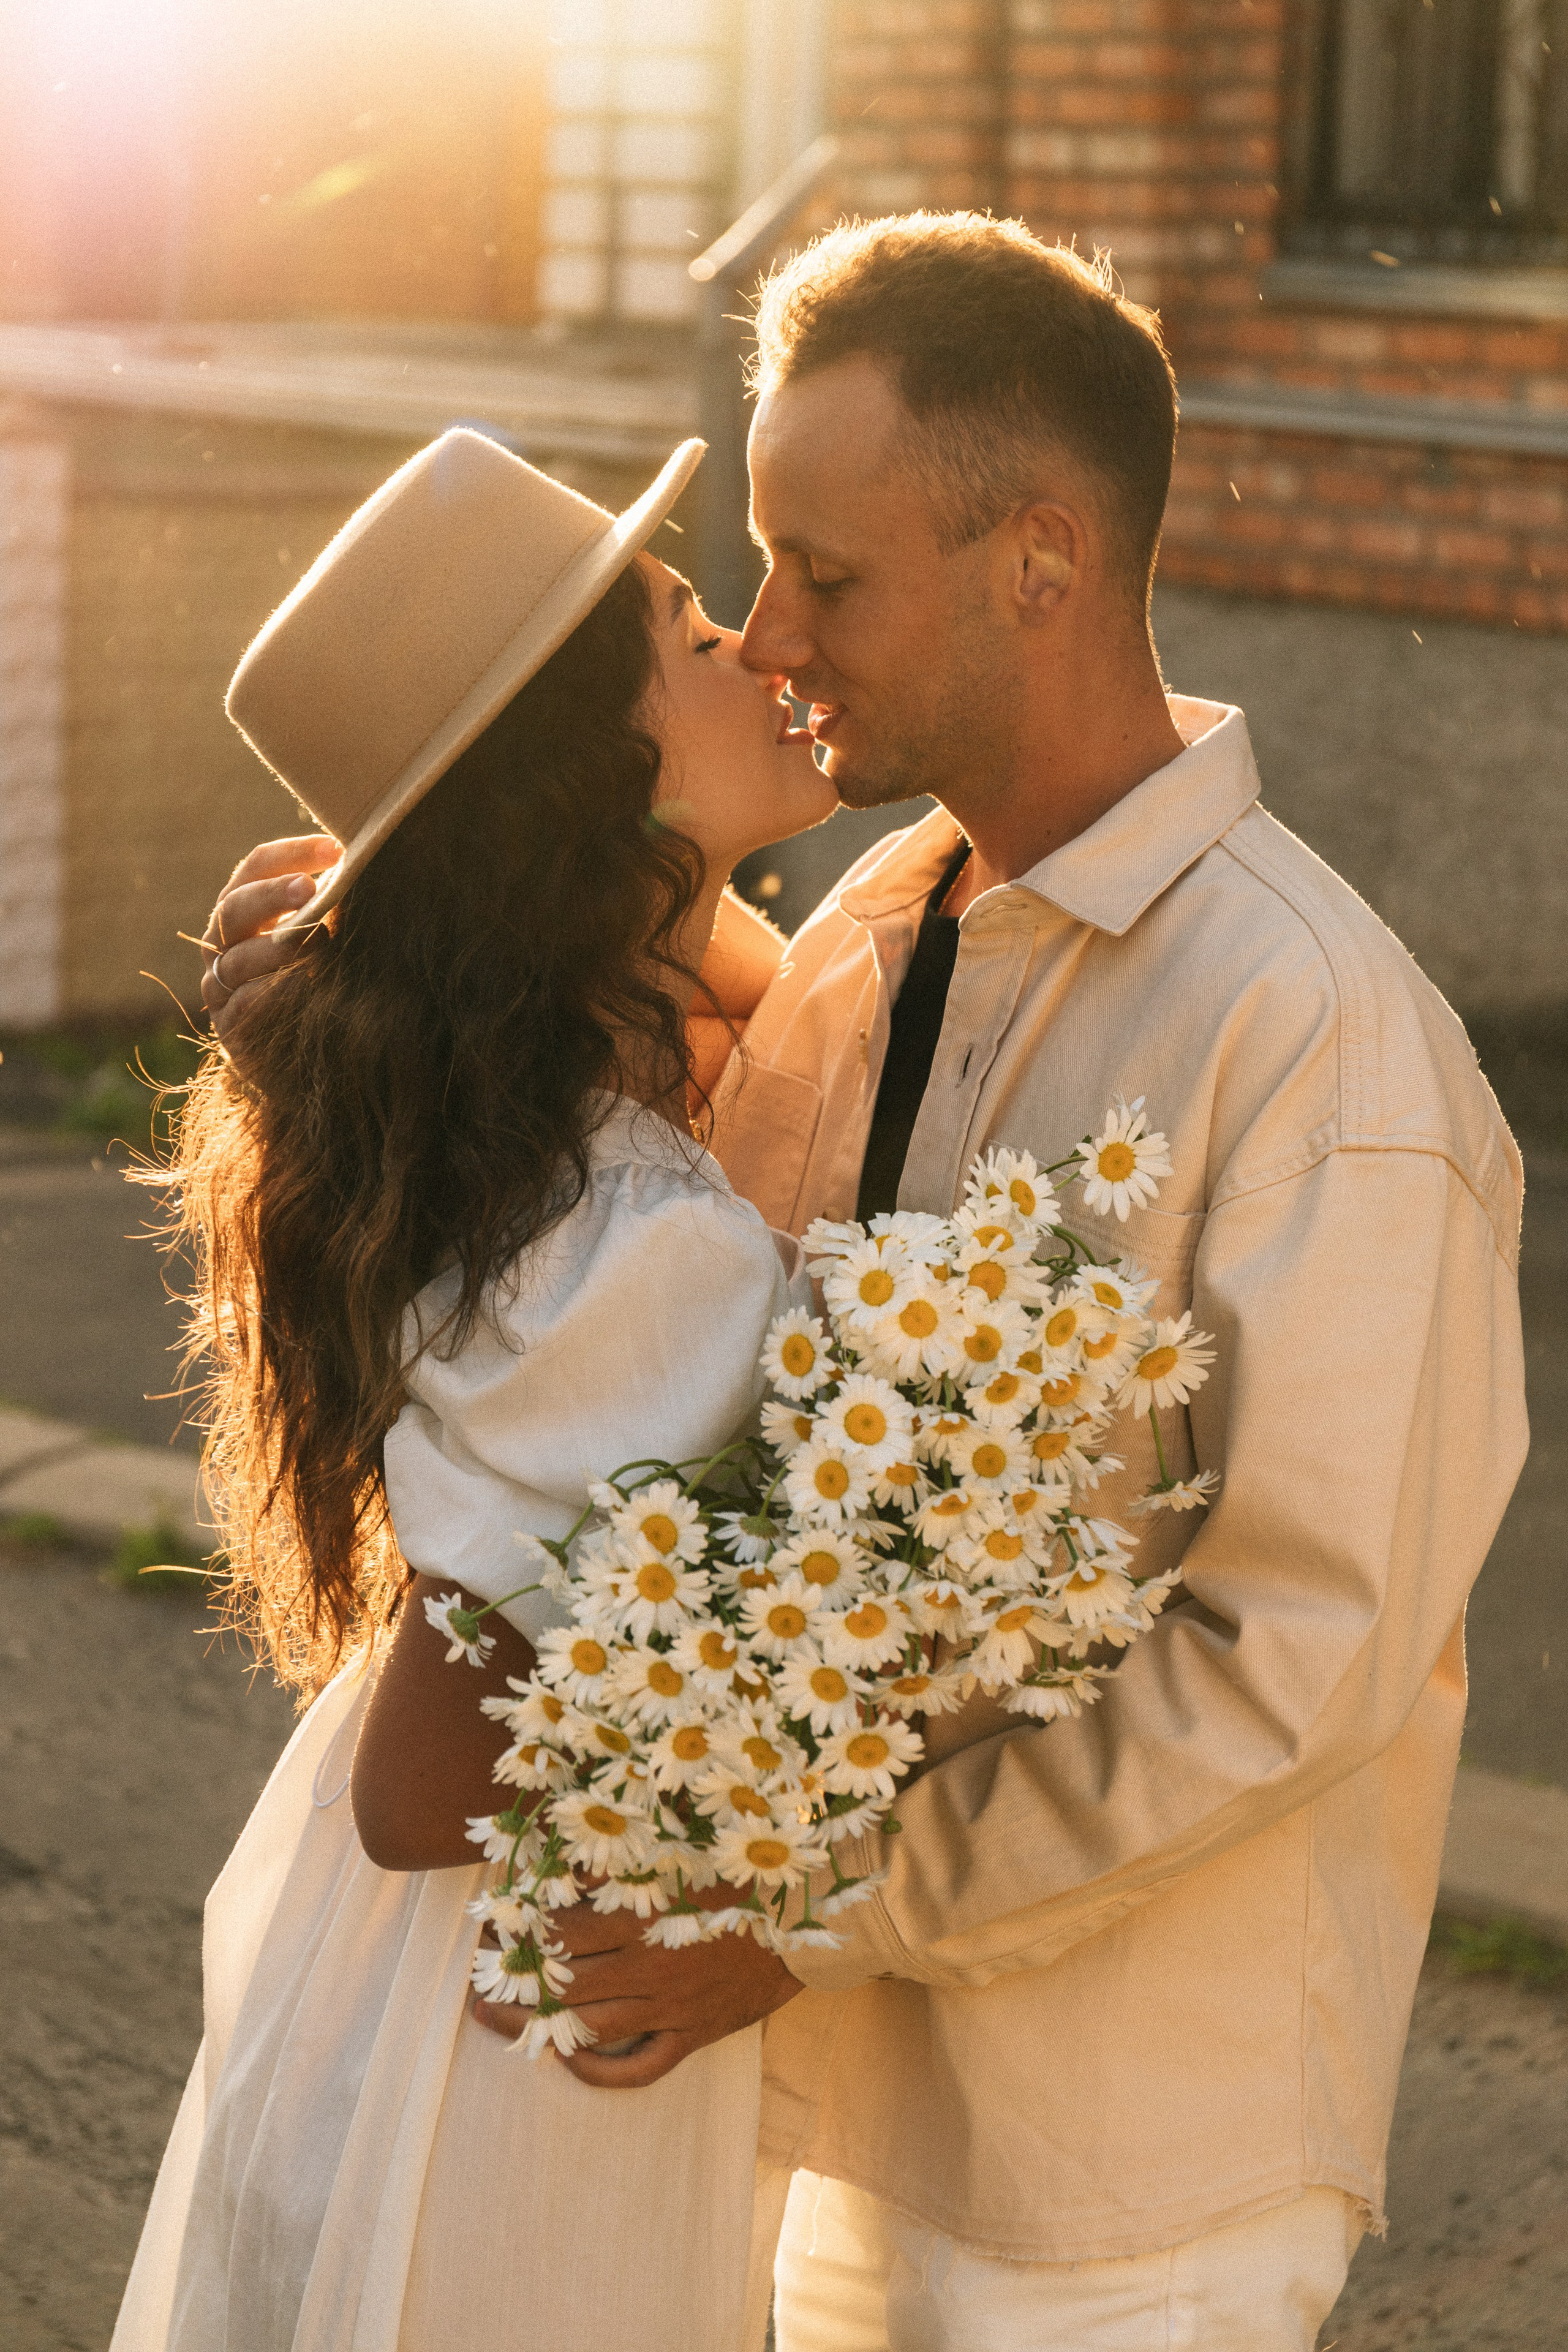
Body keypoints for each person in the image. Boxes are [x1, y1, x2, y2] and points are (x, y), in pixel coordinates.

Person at [202, 217, 1528, 2352]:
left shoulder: (1314, 1041)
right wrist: (380, 959)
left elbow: (1300, 1658)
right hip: (794, 2121)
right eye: (752, 569)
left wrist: (820, 1906)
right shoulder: (863, 944)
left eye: (824, 572)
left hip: (1106, 2195)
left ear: (1040, 561)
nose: (768, 629)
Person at [111, 427, 839, 2352]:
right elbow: (425, 1782)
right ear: (582, 777)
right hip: (510, 2050)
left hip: (424, 2000)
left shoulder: (545, 1116)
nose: (762, 646)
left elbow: (765, 992)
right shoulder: (631, 1236)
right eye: (692, 628)